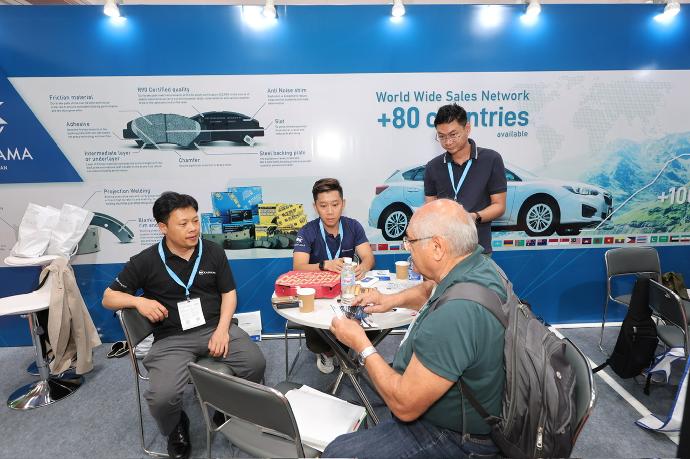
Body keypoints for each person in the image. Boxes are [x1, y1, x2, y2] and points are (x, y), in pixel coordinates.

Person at [323, 199, 505, 458]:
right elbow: (430, 290)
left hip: (457, 437)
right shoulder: (476, 267)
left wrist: (361, 344)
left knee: (336, 453)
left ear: (437, 247)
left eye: (410, 241)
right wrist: (389, 300)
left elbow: (404, 406)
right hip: (477, 410)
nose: (407, 248)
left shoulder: (456, 314)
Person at [102, 192, 265, 459]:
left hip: (215, 327)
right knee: (162, 398)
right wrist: (138, 301)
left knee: (255, 364)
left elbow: (228, 293)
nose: (192, 228)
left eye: (195, 221)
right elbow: (108, 298)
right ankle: (176, 424)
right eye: (183, 223)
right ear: (163, 227)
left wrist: (222, 330)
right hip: (172, 339)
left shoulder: (212, 251)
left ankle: (228, 408)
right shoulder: (146, 261)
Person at [293, 178, 376, 373]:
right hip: (319, 295)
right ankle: (328, 352)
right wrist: (324, 265)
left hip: (347, 293)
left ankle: (347, 350)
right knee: (317, 335)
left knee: (371, 322)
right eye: (323, 206)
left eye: (335, 204)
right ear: (315, 207)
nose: (330, 211)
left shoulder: (353, 226)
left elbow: (368, 258)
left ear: (343, 204)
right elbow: (298, 267)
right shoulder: (307, 231)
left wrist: (363, 267)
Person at [424, 103, 507, 255]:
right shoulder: (432, 167)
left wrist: (473, 217)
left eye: (453, 134)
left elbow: (499, 206)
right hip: (443, 252)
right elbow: (430, 209)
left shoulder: (491, 159)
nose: (448, 142)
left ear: (467, 128)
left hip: (478, 250)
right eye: (441, 136)